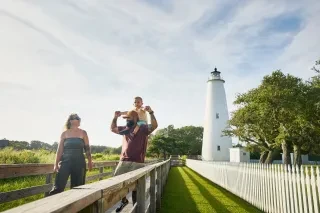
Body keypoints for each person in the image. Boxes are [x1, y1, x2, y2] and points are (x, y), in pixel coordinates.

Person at [111, 106, 158, 212]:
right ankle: (124, 201)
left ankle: (137, 207)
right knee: (116, 183)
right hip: (124, 160)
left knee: (136, 187)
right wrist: (115, 118)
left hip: (137, 161)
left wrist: (151, 112)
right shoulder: (125, 129)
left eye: (129, 118)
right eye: (126, 118)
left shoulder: (143, 128)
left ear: (136, 118)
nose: (127, 120)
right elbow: (112, 129)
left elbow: (154, 126)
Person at [49, 113, 93, 195]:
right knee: (58, 187)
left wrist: (90, 161)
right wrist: (55, 164)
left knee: (78, 188)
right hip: (66, 161)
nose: (75, 119)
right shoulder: (64, 133)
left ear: (79, 121)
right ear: (70, 121)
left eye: (77, 118)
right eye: (73, 118)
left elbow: (87, 149)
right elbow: (59, 150)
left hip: (79, 162)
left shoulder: (83, 133)